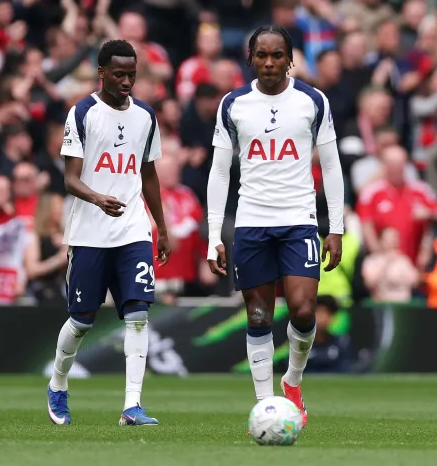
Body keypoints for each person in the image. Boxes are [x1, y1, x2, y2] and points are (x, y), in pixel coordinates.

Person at [205, 26, 345, 428]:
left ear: (290, 59)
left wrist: (335, 226)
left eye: (277, 55)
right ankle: (266, 405)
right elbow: (218, 172)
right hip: (252, 223)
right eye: (262, 55)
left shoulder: (312, 100)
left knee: (302, 310)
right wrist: (215, 236)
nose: (270, 63)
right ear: (250, 58)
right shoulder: (233, 104)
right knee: (260, 316)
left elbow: (332, 165)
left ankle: (293, 381)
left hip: (299, 221)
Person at [47, 39, 172, 427]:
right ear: (101, 72)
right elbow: (70, 178)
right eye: (119, 74)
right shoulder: (83, 113)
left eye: (132, 75)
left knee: (137, 315)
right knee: (82, 319)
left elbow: (148, 173)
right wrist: (98, 198)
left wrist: (161, 226)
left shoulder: (145, 116)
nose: (126, 82)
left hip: (132, 229)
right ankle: (58, 384)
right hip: (89, 233)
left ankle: (132, 406)